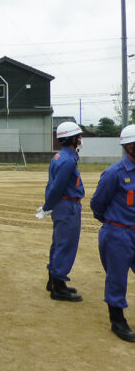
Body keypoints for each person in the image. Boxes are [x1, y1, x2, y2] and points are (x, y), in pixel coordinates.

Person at [89, 124, 135, 342]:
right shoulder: (114, 174)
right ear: (129, 147)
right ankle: (117, 320)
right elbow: (97, 204)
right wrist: (112, 224)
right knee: (117, 278)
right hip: (118, 234)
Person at [35, 121, 84, 302]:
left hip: (61, 206)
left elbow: (52, 186)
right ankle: (57, 287)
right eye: (78, 137)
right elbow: (56, 187)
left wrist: (49, 205)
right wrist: (48, 205)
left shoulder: (58, 157)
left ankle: (56, 281)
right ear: (71, 138)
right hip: (67, 206)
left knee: (58, 243)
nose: (80, 140)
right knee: (66, 245)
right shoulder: (68, 160)